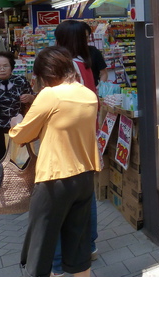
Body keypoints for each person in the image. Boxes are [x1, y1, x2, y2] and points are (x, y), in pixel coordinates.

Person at [9, 46, 100, 277]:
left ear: (45, 74)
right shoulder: (88, 95)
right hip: (85, 177)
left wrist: (15, 124)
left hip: (54, 179)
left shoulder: (50, 95)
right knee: (79, 248)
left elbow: (21, 135)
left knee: (40, 248)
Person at [52, 19, 99, 274]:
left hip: (69, 141)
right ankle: (89, 244)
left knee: (66, 200)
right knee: (85, 194)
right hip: (86, 137)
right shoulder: (85, 64)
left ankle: (63, 259)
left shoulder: (69, 69)